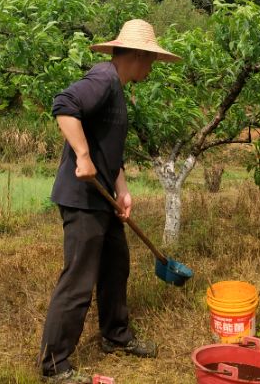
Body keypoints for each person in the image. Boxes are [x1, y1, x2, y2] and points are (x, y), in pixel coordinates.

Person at [39, 19, 181, 383]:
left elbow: (109, 151)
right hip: (83, 199)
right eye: (150, 60)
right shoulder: (103, 78)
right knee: (78, 281)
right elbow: (64, 105)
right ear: (136, 55)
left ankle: (115, 336)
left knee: (116, 268)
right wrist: (82, 156)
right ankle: (54, 365)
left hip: (103, 197)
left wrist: (123, 189)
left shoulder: (118, 89)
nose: (152, 68)